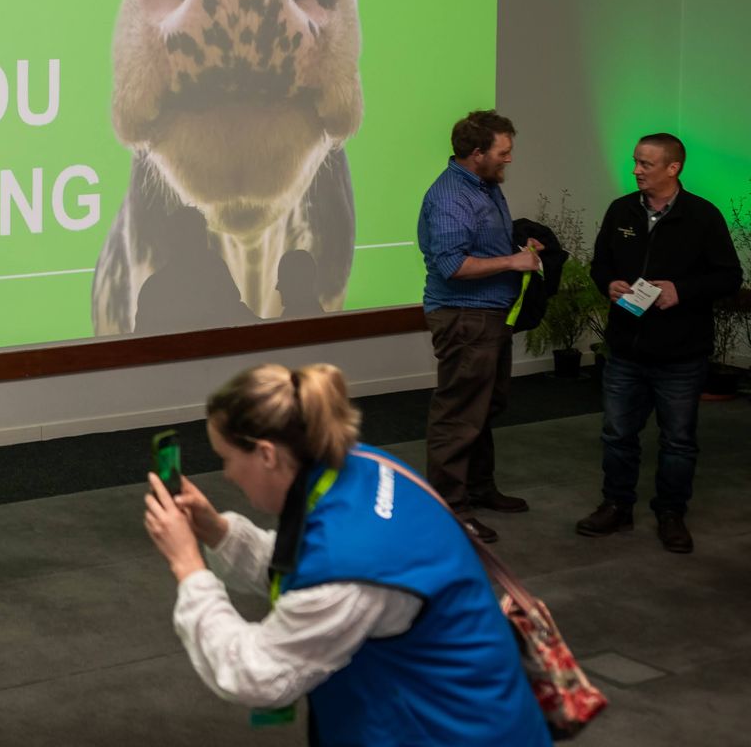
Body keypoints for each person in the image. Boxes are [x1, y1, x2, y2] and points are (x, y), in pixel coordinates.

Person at [142, 363, 548, 746]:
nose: (227, 474)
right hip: (471, 705)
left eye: (227, 459)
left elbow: (256, 674)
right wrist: (216, 531)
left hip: (445, 731)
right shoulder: (362, 465)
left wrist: (188, 566)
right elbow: (315, 566)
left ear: (267, 454)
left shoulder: (349, 567)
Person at [578, 133, 743, 553]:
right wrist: (608, 284)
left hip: (681, 356)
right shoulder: (621, 211)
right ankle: (616, 506)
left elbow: (728, 276)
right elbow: (601, 264)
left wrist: (681, 291)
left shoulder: (702, 216)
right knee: (617, 434)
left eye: (645, 164)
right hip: (626, 351)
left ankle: (671, 514)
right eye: (635, 161)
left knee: (678, 441)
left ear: (673, 168)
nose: (635, 170)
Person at [415, 109, 541, 542]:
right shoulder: (451, 197)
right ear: (476, 153)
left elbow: (479, 245)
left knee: (484, 407)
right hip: (465, 318)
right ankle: (450, 507)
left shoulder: (484, 185)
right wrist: (513, 260)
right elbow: (452, 265)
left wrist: (516, 247)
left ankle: (480, 488)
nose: (509, 159)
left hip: (488, 315)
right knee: (459, 415)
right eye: (502, 153)